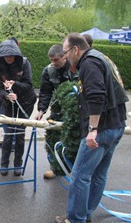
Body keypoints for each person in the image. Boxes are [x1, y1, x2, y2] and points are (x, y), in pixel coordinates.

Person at [55, 33, 129, 223]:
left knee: (80, 176)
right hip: (116, 125)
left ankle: (76, 219)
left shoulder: (89, 63)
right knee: (98, 174)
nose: (65, 57)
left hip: (101, 129)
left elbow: (96, 96)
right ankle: (85, 213)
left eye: (65, 52)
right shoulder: (101, 57)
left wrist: (93, 129)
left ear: (76, 49)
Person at [35, 44, 79, 179]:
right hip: (58, 108)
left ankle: (76, 169)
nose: (53, 63)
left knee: (74, 138)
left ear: (64, 56)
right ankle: (56, 168)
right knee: (53, 136)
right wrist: (41, 110)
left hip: (76, 109)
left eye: (55, 60)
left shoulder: (76, 68)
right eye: (51, 60)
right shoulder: (48, 71)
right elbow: (45, 92)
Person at [0, 39, 37, 176]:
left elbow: (29, 85)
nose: (9, 58)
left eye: (11, 55)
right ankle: (4, 164)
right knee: (8, 134)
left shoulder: (24, 63)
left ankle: (18, 163)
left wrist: (15, 85)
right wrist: (7, 96)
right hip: (9, 103)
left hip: (26, 102)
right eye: (6, 56)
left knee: (19, 134)